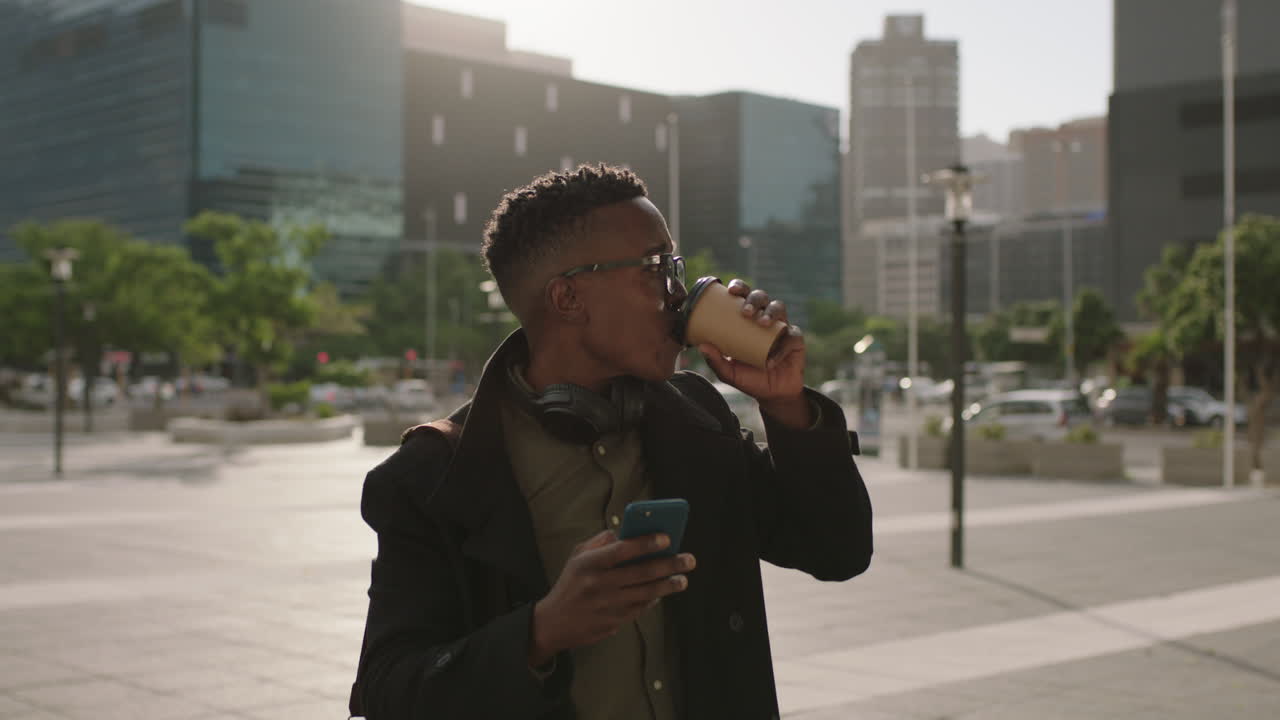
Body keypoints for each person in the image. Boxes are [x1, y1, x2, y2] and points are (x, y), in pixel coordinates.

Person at [351, 164, 873, 719]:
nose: (680, 294)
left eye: (676, 267)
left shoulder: (697, 418)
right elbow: (388, 690)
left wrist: (786, 404)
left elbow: (837, 551)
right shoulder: (430, 477)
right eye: (656, 268)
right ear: (568, 298)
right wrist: (540, 632)